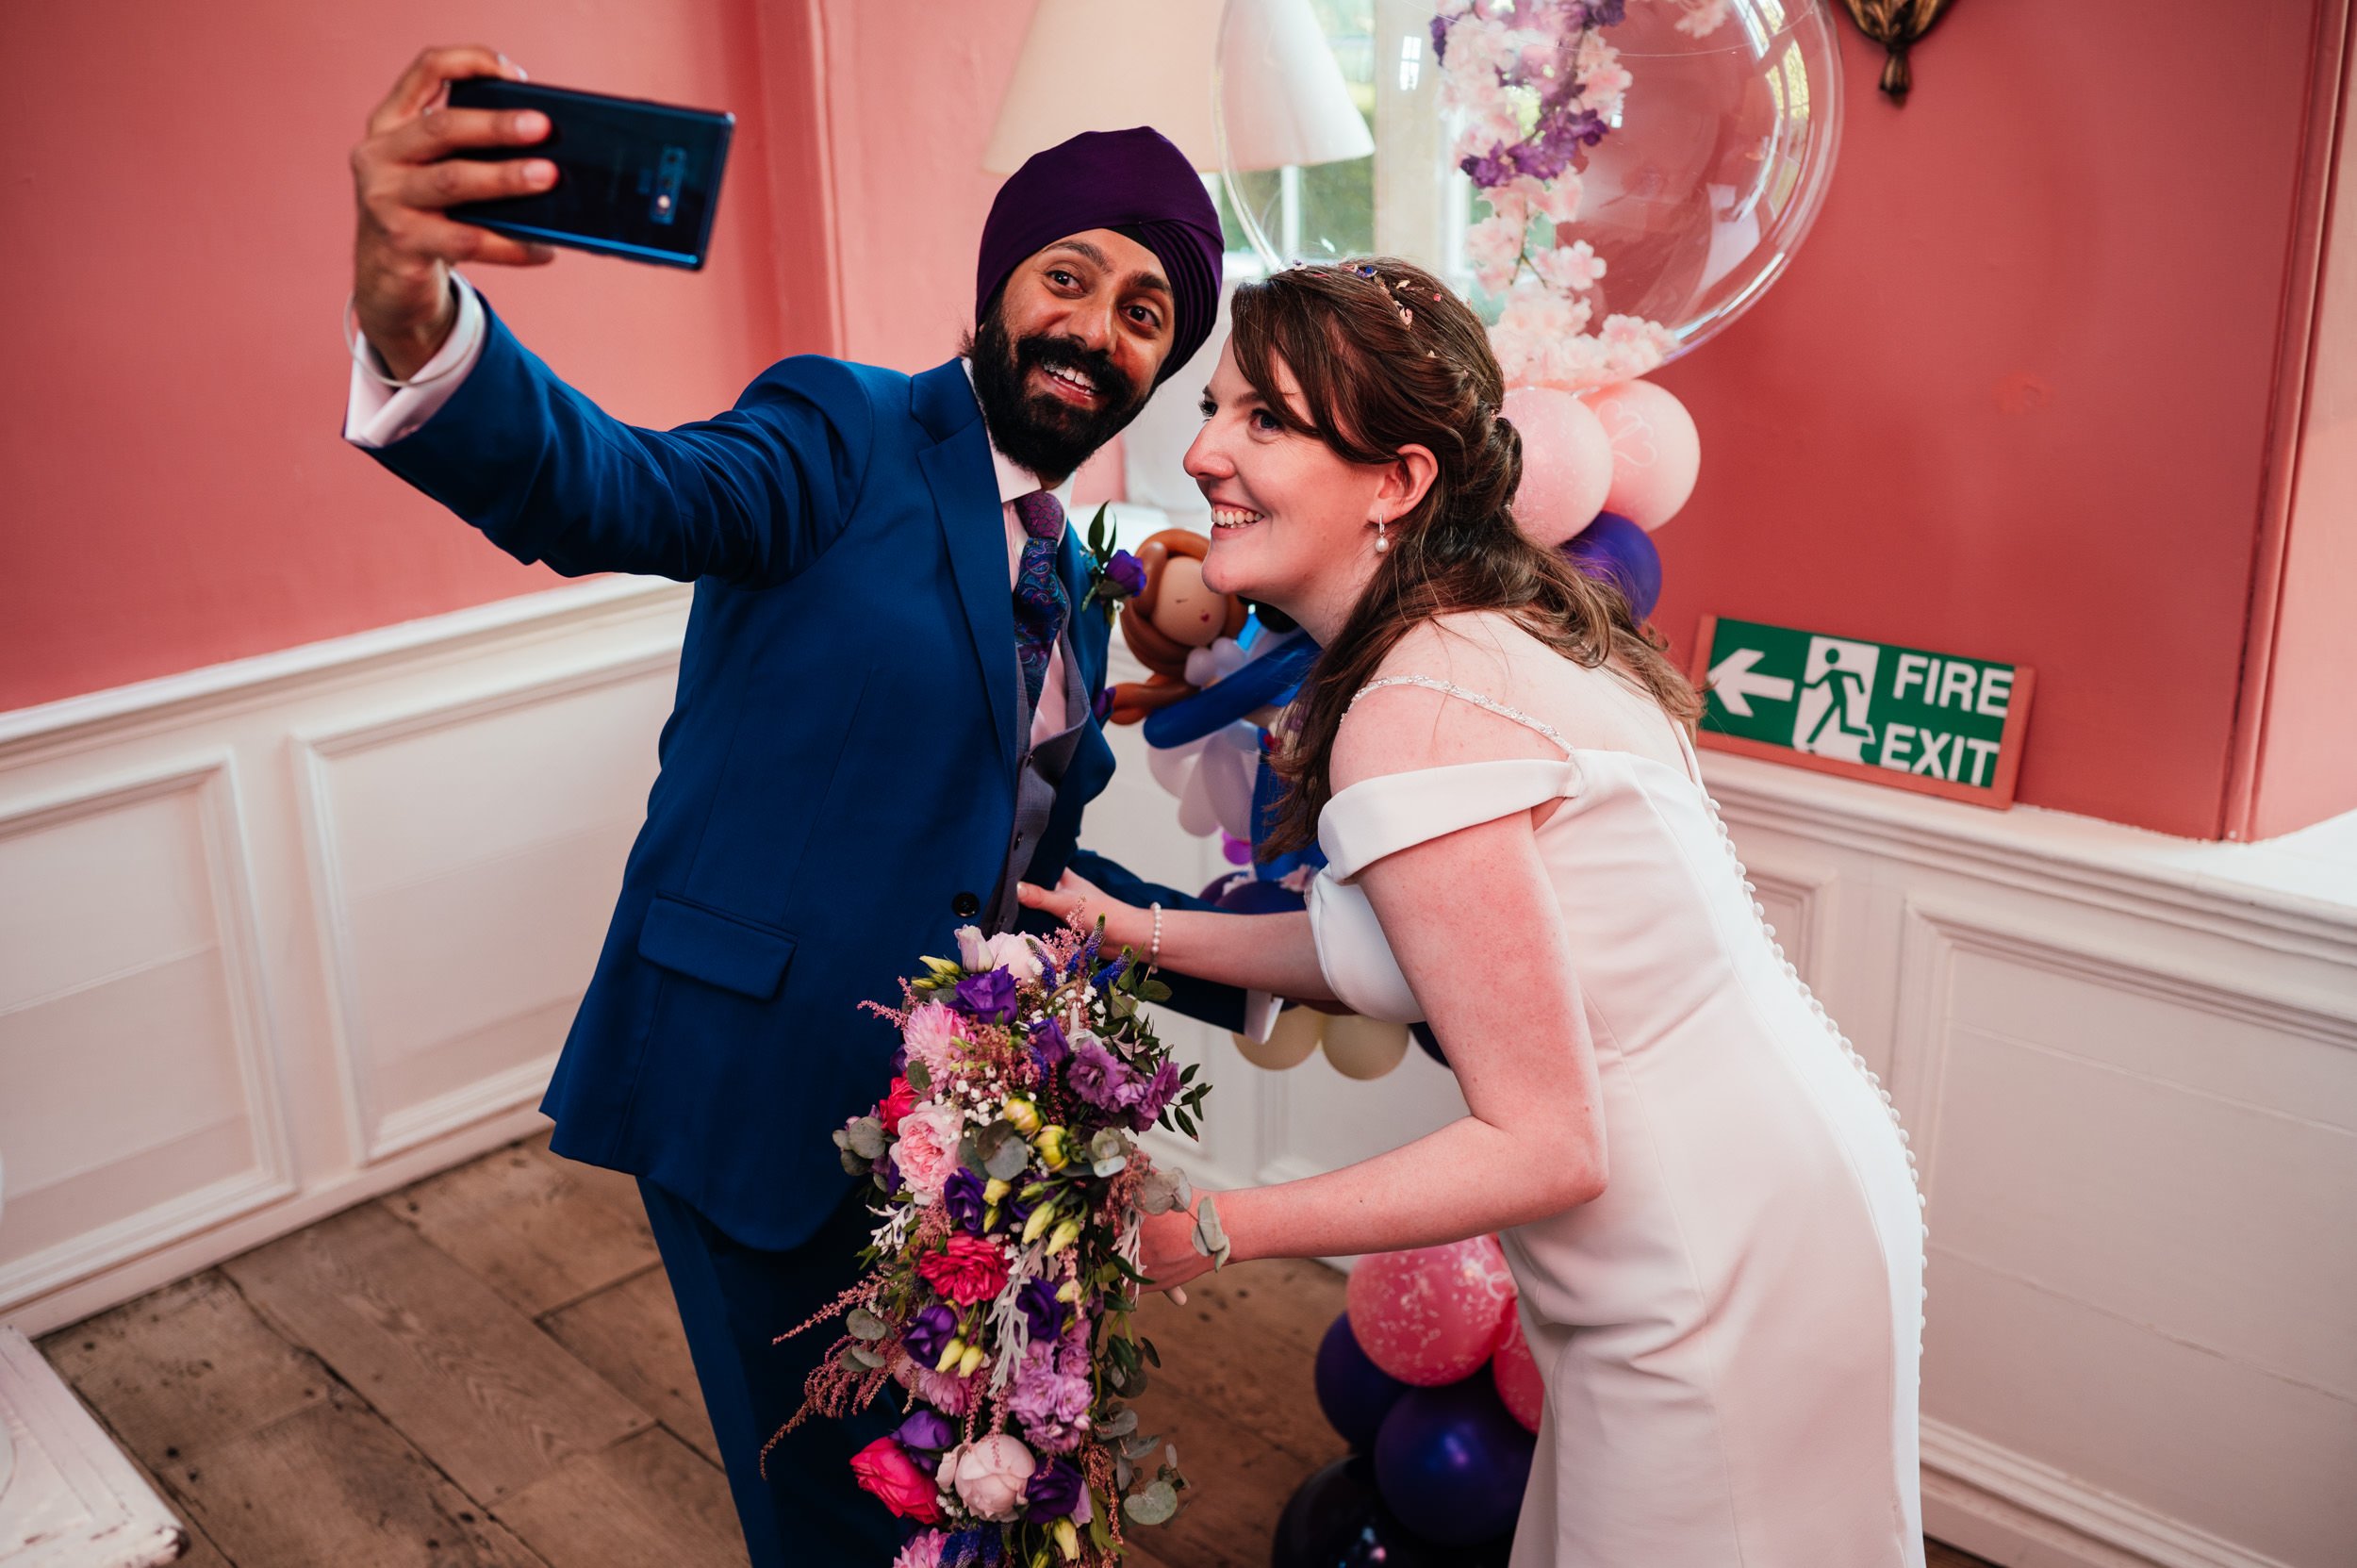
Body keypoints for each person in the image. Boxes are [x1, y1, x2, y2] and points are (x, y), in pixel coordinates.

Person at [339, 46, 1237, 1566]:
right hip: (756, 1082)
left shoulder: (1072, 566)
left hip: (954, 1135)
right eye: (1067, 277)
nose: (1092, 328)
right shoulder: (840, 431)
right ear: (999, 283)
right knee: (829, 1517)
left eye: (1144, 314)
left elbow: (1018, 858)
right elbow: (618, 489)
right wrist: (413, 316)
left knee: (955, 1484)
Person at [1023, 258, 1927, 1567]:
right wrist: (1133, 928)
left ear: (1396, 481)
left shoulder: (1414, 712)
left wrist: (1222, 1225)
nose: (1203, 447)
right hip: (1773, 1186)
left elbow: (1545, 1146)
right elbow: (1382, 944)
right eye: (1215, 407)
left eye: (1264, 420)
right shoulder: (1466, 634)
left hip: (1713, 1253)